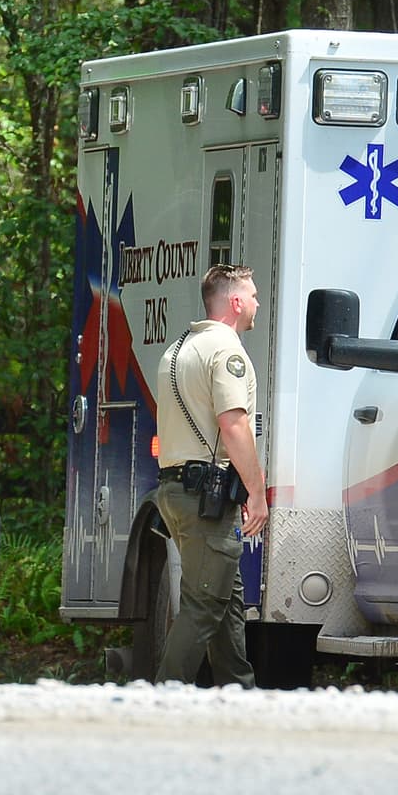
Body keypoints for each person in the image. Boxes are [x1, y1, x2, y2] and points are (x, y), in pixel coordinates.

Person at [153, 263, 268, 687]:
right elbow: (233, 424)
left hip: (175, 490)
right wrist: (256, 492)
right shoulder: (227, 351)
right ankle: (163, 698)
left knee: (226, 601)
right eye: (252, 295)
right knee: (204, 604)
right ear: (236, 302)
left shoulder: (179, 348)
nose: (257, 302)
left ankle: (238, 693)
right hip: (207, 498)